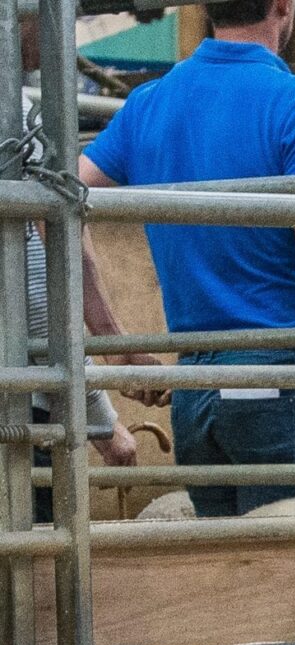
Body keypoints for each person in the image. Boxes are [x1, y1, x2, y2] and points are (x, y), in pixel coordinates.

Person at [79, 0, 295, 516]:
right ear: (284, 4)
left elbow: (51, 209)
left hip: (195, 394)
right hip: (288, 384)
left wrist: (115, 343)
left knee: (235, 583)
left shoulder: (148, 104)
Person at [13, 28, 137, 522]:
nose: (61, 24)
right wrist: (101, 420)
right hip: (17, 406)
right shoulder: (14, 118)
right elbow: (40, 290)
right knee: (31, 580)